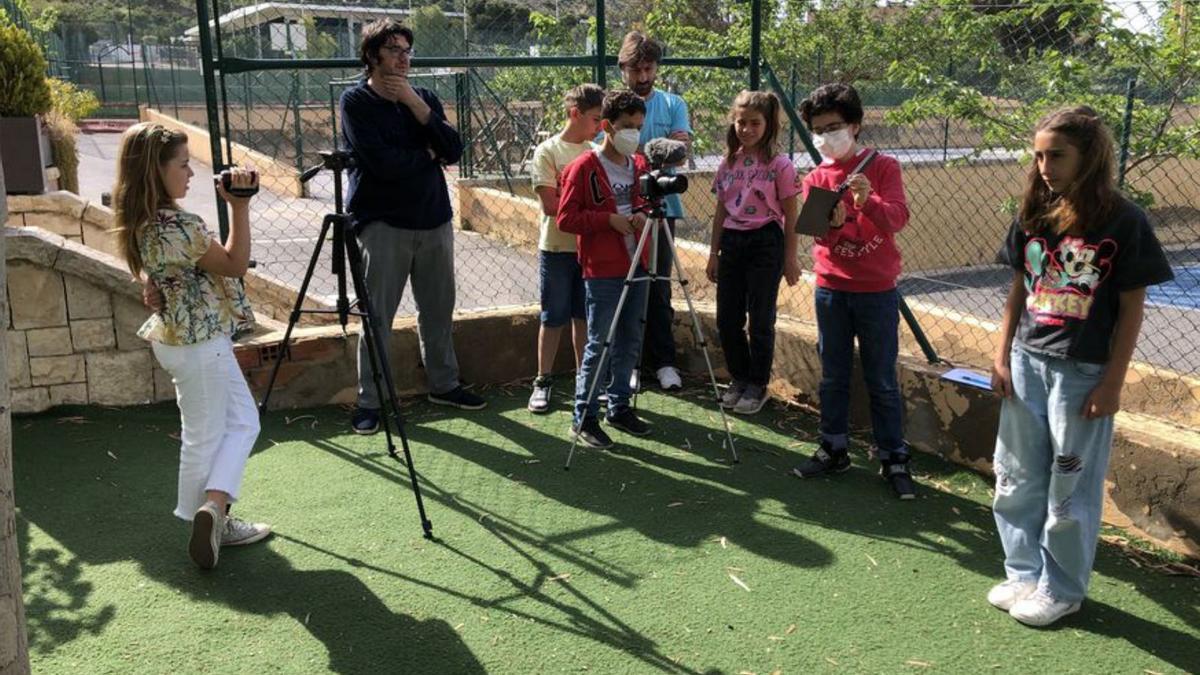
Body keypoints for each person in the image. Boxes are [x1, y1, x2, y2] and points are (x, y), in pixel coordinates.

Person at [987, 106, 1173, 627]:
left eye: (1058, 156)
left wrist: (1113, 382)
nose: (1045, 166)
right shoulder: (1034, 211)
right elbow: (1018, 291)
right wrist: (1001, 357)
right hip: (1027, 363)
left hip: (1082, 373)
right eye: (1039, 156)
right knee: (1016, 478)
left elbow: (1134, 307)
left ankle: (1062, 588)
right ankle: (1022, 570)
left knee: (1069, 488)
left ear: (1089, 157)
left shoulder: (1123, 219)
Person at [113, 122, 271, 570]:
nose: (191, 174)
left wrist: (150, 283)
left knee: (241, 422)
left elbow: (155, 270)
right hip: (200, 343)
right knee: (209, 433)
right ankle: (210, 513)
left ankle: (215, 510)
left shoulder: (139, 221)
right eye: (183, 165)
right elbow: (236, 264)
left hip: (178, 339)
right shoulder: (181, 225)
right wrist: (240, 207)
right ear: (154, 170)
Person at [340, 19, 485, 436]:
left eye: (407, 50)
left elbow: (453, 148)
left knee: (437, 310)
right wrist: (427, 155)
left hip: (434, 219)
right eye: (394, 50)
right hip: (384, 223)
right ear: (372, 56)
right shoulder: (356, 102)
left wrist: (415, 106)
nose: (404, 58)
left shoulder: (423, 97)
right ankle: (370, 401)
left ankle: (444, 383)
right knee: (378, 317)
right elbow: (381, 164)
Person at [789, 83, 915, 500]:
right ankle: (833, 446)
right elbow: (816, 235)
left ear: (855, 126)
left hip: (876, 291)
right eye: (818, 130)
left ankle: (894, 456)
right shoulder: (817, 177)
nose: (826, 136)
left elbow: (896, 219)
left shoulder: (883, 167)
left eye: (834, 127)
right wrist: (837, 223)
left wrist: (868, 202)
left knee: (881, 378)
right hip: (831, 290)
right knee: (833, 376)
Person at [557, 90, 652, 449]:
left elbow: (643, 201)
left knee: (630, 338)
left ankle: (619, 406)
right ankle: (584, 417)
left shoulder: (638, 165)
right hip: (603, 269)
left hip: (637, 262)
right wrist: (607, 220)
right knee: (600, 342)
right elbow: (566, 217)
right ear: (608, 126)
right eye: (627, 126)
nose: (634, 134)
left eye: (638, 127)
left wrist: (641, 214)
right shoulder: (584, 166)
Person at [706, 91, 801, 415]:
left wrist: (790, 257)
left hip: (765, 243)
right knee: (727, 318)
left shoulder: (780, 165)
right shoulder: (729, 163)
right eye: (741, 122)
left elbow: (791, 215)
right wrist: (713, 253)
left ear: (768, 124)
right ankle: (739, 377)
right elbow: (720, 211)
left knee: (761, 319)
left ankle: (758, 384)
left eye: (754, 123)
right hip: (732, 241)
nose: (746, 129)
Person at [618, 30, 692, 391]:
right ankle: (627, 363)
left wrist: (640, 152)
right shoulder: (613, 103)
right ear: (623, 69)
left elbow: (681, 149)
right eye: (636, 70)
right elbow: (607, 153)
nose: (643, 77)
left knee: (660, 285)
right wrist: (658, 150)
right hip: (622, 209)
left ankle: (663, 361)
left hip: (663, 206)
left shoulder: (673, 104)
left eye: (648, 69)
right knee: (627, 286)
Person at [528, 84, 605, 414]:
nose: (600, 126)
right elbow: (550, 205)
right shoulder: (548, 152)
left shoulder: (596, 153)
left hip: (588, 251)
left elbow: (600, 200)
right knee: (553, 316)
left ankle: (583, 381)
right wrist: (593, 216)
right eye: (595, 119)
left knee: (583, 317)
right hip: (557, 250)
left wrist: (583, 214)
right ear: (575, 114)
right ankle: (543, 381)